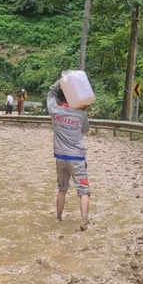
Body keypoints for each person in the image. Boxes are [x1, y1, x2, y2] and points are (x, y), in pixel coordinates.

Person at [47, 78, 90, 231]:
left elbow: (50, 95)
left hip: (60, 158)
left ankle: (59, 218)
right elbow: (85, 130)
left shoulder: (55, 111)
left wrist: (60, 82)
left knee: (62, 189)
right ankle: (84, 221)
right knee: (83, 191)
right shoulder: (80, 115)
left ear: (60, 100)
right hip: (77, 159)